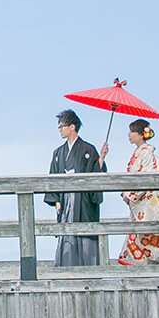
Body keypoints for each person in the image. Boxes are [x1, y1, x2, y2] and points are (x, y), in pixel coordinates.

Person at [44, 109, 108, 266]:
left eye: (62, 126)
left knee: (85, 233)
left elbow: (95, 173)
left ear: (72, 127)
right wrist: (56, 200)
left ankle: (88, 267)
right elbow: (53, 176)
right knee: (66, 233)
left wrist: (102, 157)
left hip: (83, 199)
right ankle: (65, 267)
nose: (60, 130)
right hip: (65, 199)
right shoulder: (58, 152)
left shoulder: (88, 150)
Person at [111, 118, 159, 265]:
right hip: (138, 202)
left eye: (132, 131)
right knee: (137, 235)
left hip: (143, 202)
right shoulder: (141, 153)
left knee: (141, 234)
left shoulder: (146, 154)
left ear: (140, 134)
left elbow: (145, 178)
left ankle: (145, 266)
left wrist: (130, 194)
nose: (129, 134)